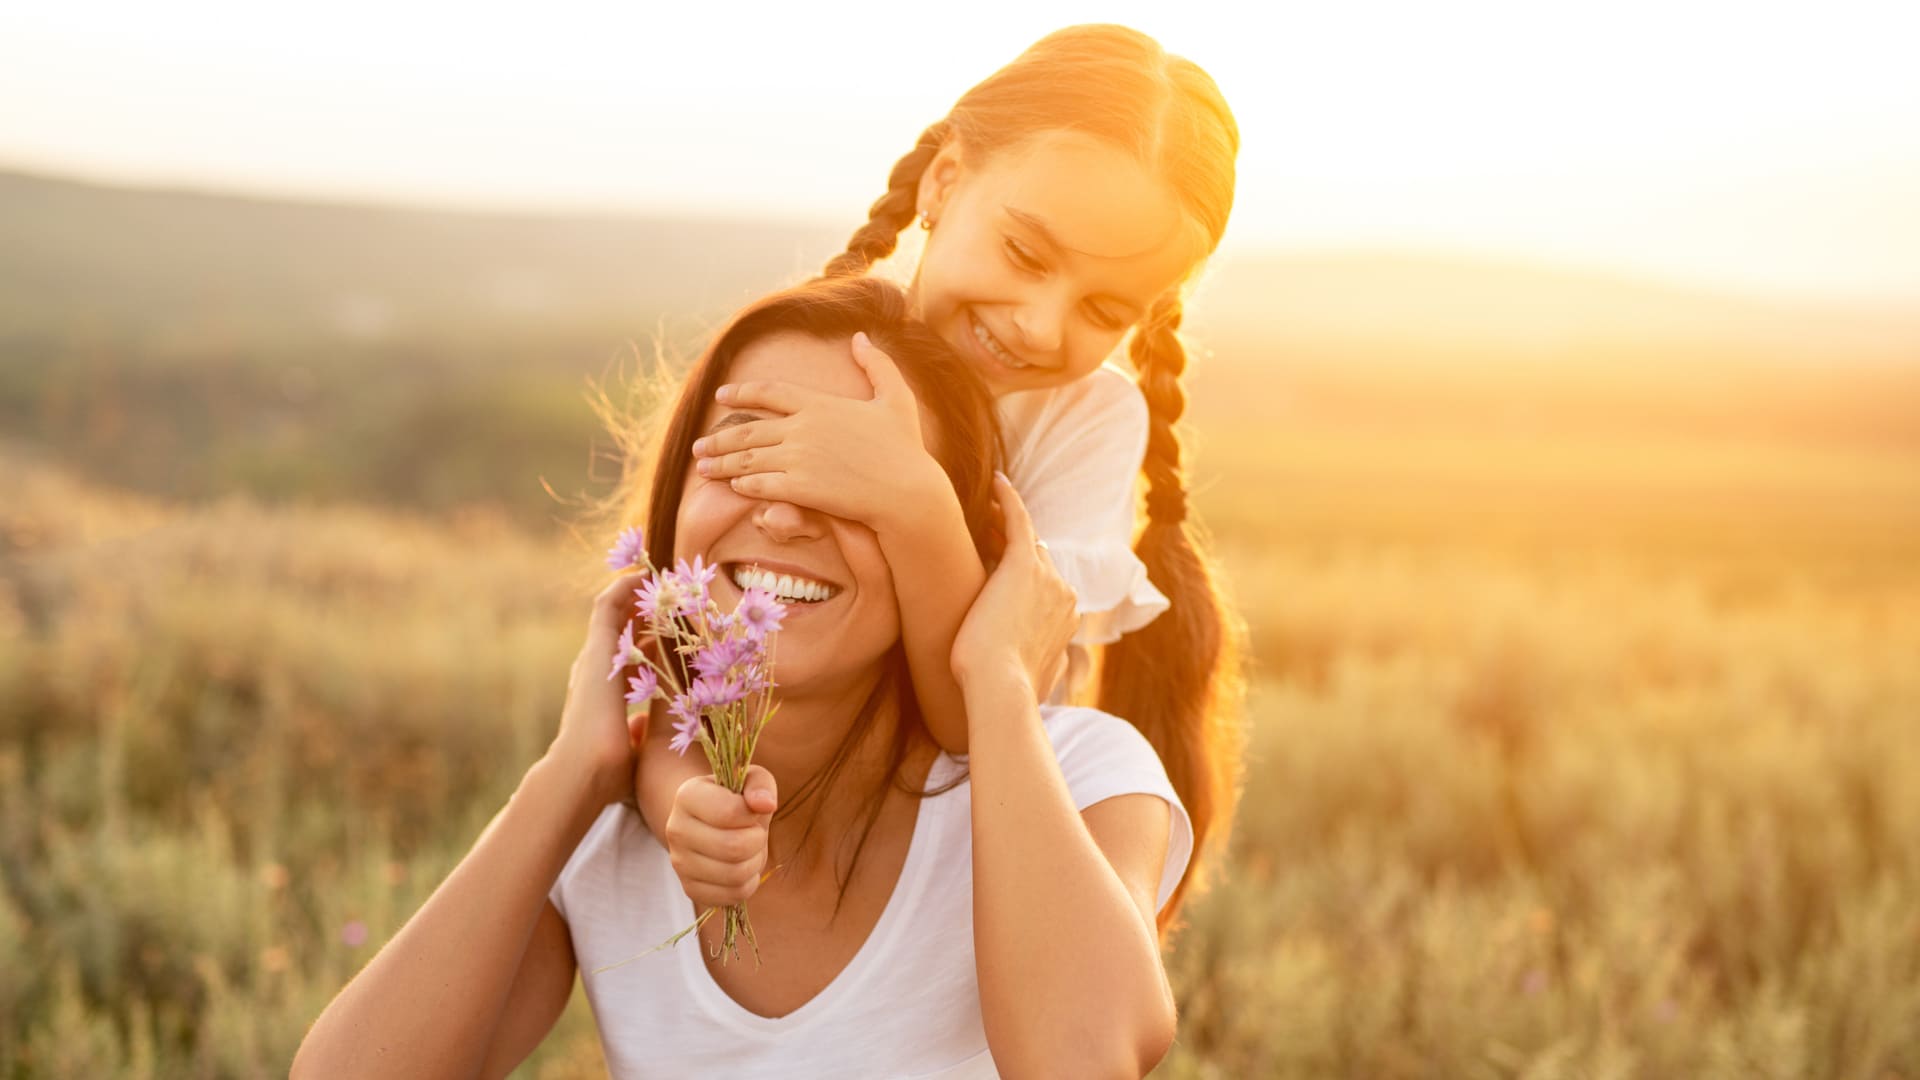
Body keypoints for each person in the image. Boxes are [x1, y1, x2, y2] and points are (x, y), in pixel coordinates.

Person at [292, 276, 1194, 1079]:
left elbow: (1082, 1064)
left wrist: (997, 680)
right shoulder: (614, 837)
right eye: (747, 454)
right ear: (676, 501)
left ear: (950, 538)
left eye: (859, 482)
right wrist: (572, 773)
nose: (785, 514)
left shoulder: (1079, 777)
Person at [640, 23, 1246, 929]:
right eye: (1027, 256)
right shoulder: (807, 358)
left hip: (957, 874)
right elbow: (674, 649)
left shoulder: (1082, 425)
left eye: (1103, 309)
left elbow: (975, 716)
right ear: (945, 181)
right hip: (783, 844)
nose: (1039, 325)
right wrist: (680, 802)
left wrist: (914, 501)